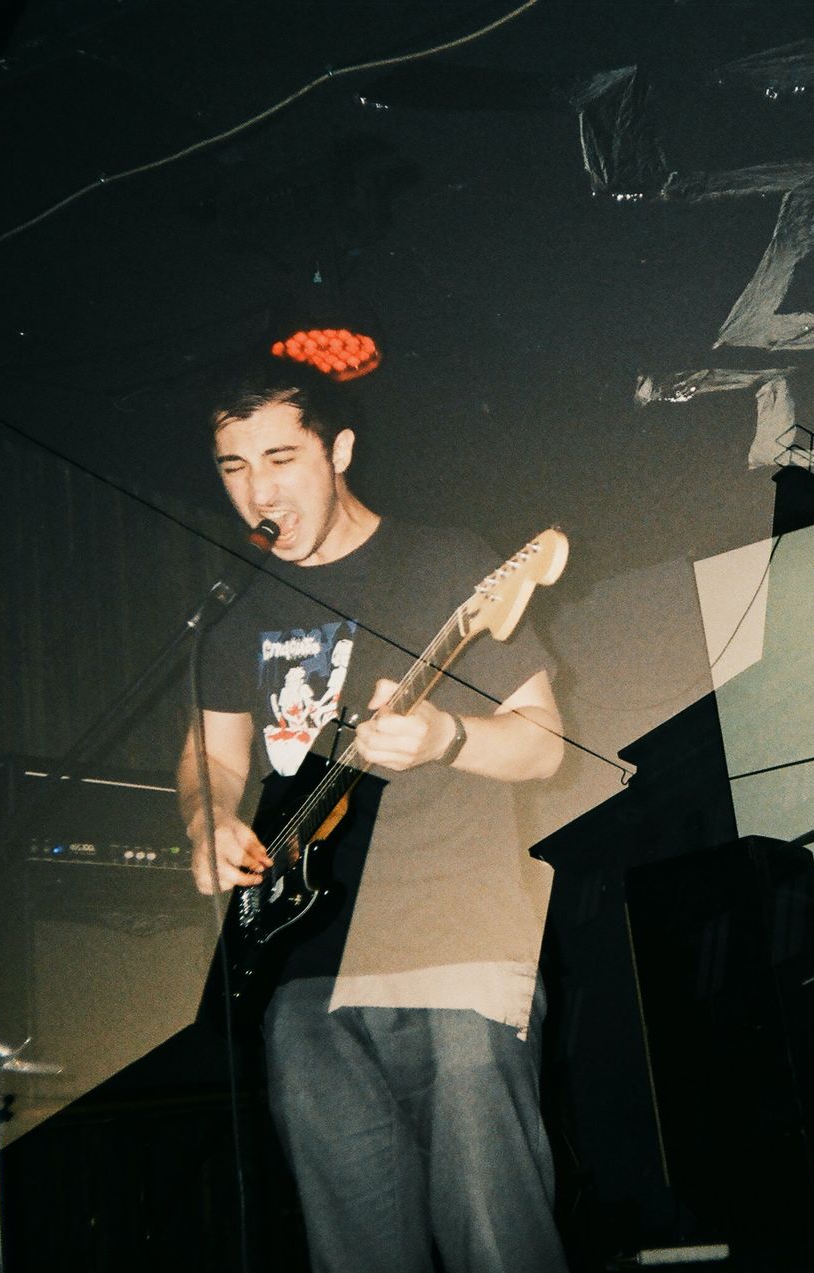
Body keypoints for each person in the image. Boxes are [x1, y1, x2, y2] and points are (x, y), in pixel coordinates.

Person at [176, 359, 570, 1273]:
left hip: (457, 942)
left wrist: (444, 737)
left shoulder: (442, 563)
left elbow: (544, 744)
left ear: (340, 449)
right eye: (235, 468)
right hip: (303, 971)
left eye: (280, 458)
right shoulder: (237, 610)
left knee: (496, 1238)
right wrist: (205, 822)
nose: (258, 491)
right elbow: (215, 755)